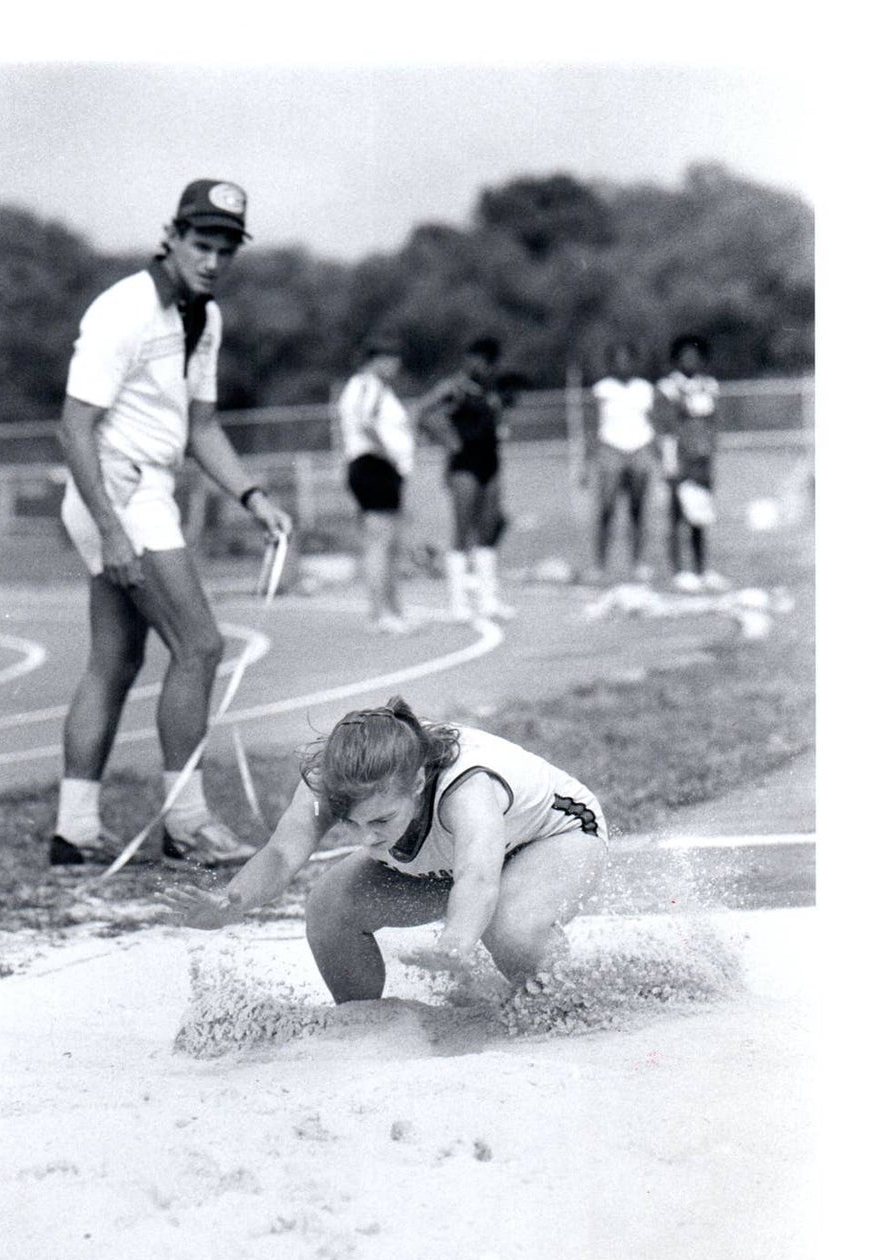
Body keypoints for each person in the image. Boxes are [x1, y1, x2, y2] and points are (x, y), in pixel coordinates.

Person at [49, 179, 293, 869]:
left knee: (117, 659)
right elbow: (73, 428)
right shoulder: (123, 309)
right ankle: (186, 826)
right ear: (173, 236)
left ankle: (74, 831)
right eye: (200, 244)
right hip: (115, 492)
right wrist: (114, 529)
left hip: (146, 488)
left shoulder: (204, 318)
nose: (212, 260)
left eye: (225, 249)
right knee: (201, 646)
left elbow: (201, 427)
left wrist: (251, 496)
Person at [161, 697, 609, 1003]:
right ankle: (364, 1024)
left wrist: (455, 941)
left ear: (417, 783)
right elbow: (282, 853)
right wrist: (233, 901)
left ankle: (566, 1003)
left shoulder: (467, 788)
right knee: (330, 906)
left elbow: (476, 876)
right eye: (351, 822)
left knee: (506, 925)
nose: (367, 840)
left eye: (380, 821)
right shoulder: (333, 779)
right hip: (457, 856)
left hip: (554, 836)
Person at [414, 336, 515, 622]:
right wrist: (447, 439)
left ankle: (488, 600)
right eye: (472, 359)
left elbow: (498, 421)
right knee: (461, 532)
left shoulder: (493, 390)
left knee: (488, 530)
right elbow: (422, 411)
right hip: (463, 466)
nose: (476, 365)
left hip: (490, 463)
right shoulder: (454, 387)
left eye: (483, 361)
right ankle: (458, 603)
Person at [335, 337, 417, 633]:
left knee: (391, 544)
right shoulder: (366, 385)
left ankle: (394, 609)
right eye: (392, 358)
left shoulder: (381, 389)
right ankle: (380, 613)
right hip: (372, 465)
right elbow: (366, 423)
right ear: (377, 359)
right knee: (379, 543)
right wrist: (391, 455)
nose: (396, 365)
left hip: (384, 468)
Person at [655, 334, 727, 593]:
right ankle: (679, 570)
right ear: (676, 359)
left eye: (695, 356)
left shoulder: (709, 386)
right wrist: (669, 461)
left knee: (700, 513)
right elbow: (665, 425)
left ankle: (701, 568)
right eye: (685, 356)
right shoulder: (668, 387)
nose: (690, 361)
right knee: (677, 514)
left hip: (702, 458)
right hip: (678, 455)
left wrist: (708, 448)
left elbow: (714, 422)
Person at [584, 341, 660, 585]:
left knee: (638, 510)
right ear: (611, 363)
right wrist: (587, 463)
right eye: (617, 359)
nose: (622, 364)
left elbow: (654, 422)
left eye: (627, 359)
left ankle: (639, 563)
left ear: (634, 362)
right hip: (611, 450)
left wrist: (659, 455)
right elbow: (592, 427)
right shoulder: (603, 389)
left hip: (640, 449)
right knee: (606, 509)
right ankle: (599, 565)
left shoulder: (644, 389)